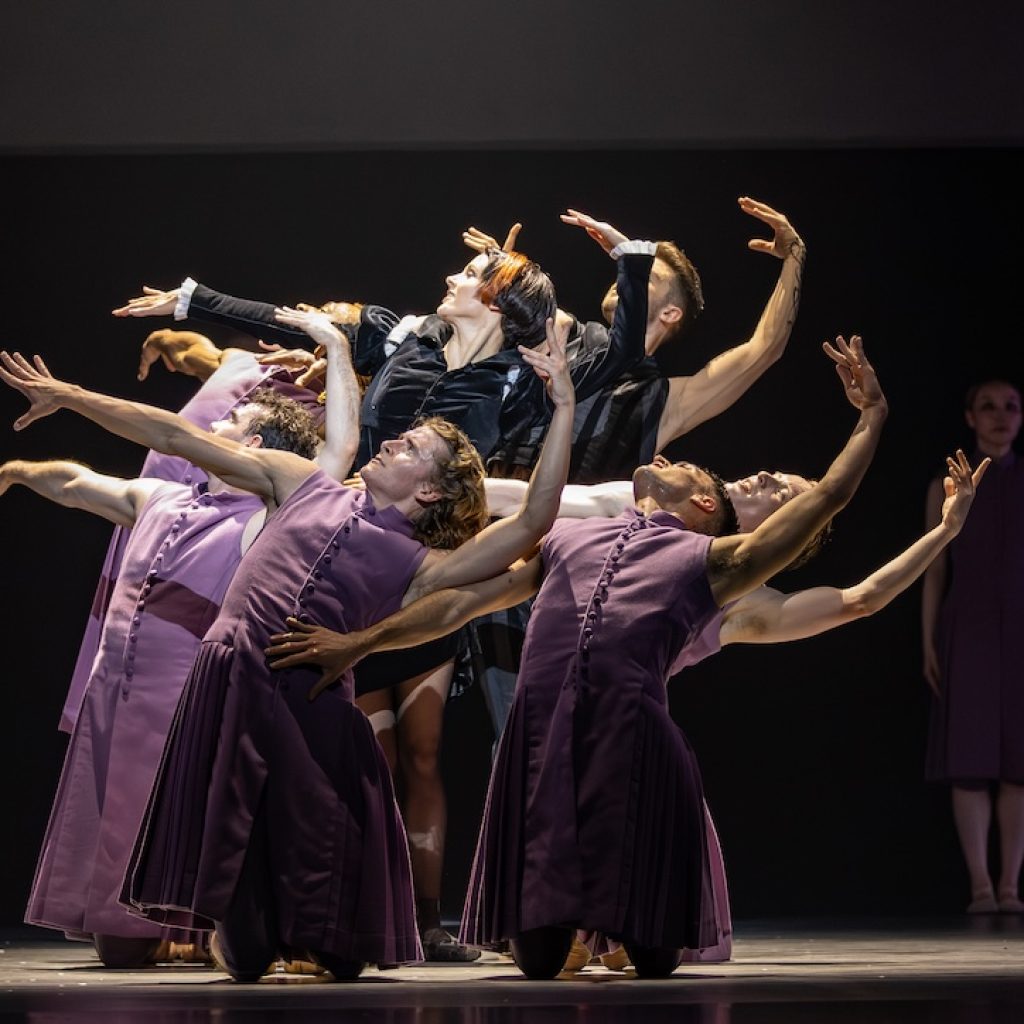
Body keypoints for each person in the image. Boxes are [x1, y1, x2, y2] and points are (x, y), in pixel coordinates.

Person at [111, 213, 653, 961]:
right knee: (347, 746)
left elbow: (626, 356)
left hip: (433, 537)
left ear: (498, 303)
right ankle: (291, 906)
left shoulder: (522, 379)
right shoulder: (401, 336)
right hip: (355, 542)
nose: (449, 280)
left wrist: (630, 260)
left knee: (421, 752)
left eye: (469, 279)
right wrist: (192, 300)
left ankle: (421, 920)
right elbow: (302, 320)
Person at [262, 335, 886, 978]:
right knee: (537, 959)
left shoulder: (713, 564)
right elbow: (458, 605)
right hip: (545, 742)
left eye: (689, 469)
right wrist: (360, 642)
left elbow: (827, 501)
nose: (667, 456)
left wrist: (870, 419)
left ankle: (629, 924)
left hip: (631, 739)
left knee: (652, 956)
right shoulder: (570, 536)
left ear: (703, 506)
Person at [0, 310, 575, 981]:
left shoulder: (416, 563)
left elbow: (535, 516)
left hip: (308, 695)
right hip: (231, 675)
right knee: (239, 930)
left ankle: (325, 931)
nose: (392, 445)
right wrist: (71, 397)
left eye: (413, 449)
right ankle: (238, 927)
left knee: (328, 891)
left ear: (431, 490)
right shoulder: (299, 483)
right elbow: (172, 434)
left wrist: (562, 403)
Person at [9, 389, 320, 968]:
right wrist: (15, 471)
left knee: (188, 861)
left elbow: (328, 467)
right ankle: (154, 924)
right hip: (115, 713)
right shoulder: (163, 497)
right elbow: (75, 484)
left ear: (253, 446)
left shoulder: (267, 522)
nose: (215, 421)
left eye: (230, 419)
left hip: (186, 716)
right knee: (120, 949)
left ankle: (215, 926)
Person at [60, 329, 328, 736]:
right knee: (115, 649)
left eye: (335, 326)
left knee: (166, 676)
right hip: (150, 519)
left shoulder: (314, 426)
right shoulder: (245, 363)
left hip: (210, 544)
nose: (318, 332)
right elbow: (190, 351)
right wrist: (162, 339)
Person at [922, 378, 1024, 913]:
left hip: (1021, 631)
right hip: (969, 627)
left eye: (1010, 406)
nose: (1000, 415)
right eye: (988, 406)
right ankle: (981, 888)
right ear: (969, 417)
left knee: (1017, 762)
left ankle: (1010, 887)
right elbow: (932, 569)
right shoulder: (946, 486)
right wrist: (928, 639)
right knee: (969, 756)